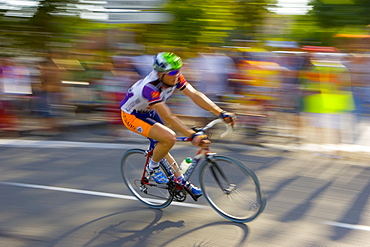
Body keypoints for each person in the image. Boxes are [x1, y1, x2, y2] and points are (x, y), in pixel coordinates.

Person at [120, 52, 236, 199]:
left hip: (148, 111)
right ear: (160, 73)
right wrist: (191, 135)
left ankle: (180, 181)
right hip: (132, 115)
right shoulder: (150, 87)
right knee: (169, 137)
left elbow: (195, 95)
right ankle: (152, 170)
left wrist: (221, 113)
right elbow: (168, 116)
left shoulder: (175, 79)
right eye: (173, 72)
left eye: (179, 70)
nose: (177, 75)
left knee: (163, 143)